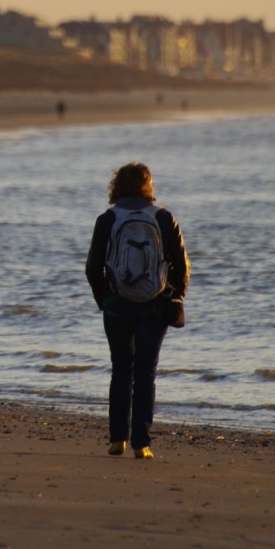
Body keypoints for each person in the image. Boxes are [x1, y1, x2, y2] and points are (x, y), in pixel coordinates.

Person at [85, 162, 189, 459]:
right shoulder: (163, 217)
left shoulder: (107, 219)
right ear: (148, 186)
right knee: (146, 372)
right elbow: (182, 266)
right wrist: (176, 298)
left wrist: (105, 300)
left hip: (117, 305)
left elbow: (93, 267)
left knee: (120, 369)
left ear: (116, 186)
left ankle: (117, 439)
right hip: (154, 305)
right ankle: (141, 444)